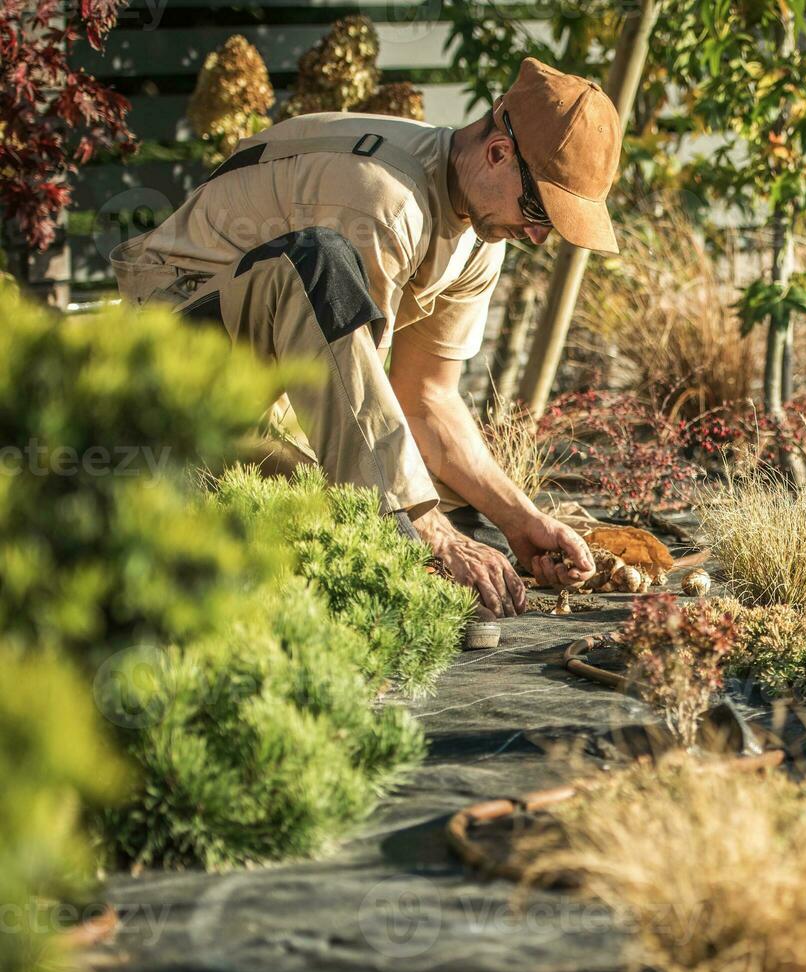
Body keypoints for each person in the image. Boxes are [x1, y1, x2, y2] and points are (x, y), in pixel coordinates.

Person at [110, 57, 615, 616]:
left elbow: (426, 399)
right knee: (391, 507)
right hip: (175, 353)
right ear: (498, 152)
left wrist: (522, 521)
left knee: (422, 500)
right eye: (538, 209)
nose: (538, 237)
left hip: (275, 384)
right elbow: (353, 413)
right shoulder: (384, 201)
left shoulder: (480, 233)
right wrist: (432, 533)